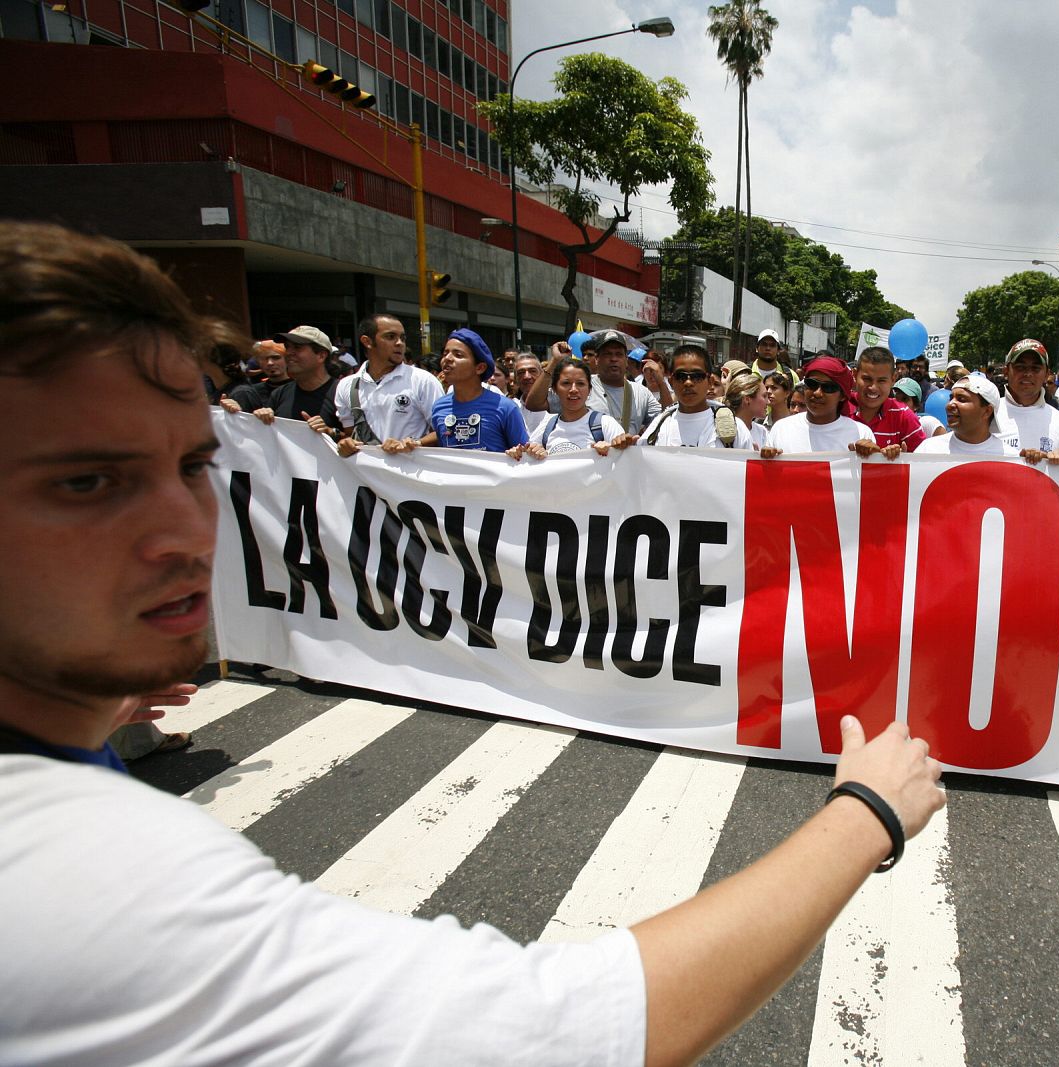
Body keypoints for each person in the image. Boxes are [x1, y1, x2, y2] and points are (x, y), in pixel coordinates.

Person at [0, 220, 946, 1067]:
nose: (184, 529)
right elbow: (569, 1031)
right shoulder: (79, 882)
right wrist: (863, 814)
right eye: (87, 483)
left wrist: (75, 701)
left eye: (195, 464)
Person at [328, 314, 443, 457]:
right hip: (367, 470)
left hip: (411, 469)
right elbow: (350, 434)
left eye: (403, 338)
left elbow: (445, 431)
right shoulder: (347, 385)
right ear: (367, 341)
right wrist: (345, 444)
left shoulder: (423, 381)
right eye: (390, 337)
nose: (399, 343)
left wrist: (415, 443)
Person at [423, 328, 530, 455]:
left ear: (480, 368)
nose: (447, 358)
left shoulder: (505, 408)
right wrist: (415, 444)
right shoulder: (439, 408)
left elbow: (524, 454)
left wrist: (519, 452)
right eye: (445, 353)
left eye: (458, 355)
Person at [220, 324, 339, 434]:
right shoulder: (280, 394)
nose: (289, 352)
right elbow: (264, 437)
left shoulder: (342, 393)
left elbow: (349, 440)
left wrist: (330, 432)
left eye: (297, 347)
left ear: (321, 356)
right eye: (287, 347)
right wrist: (239, 414)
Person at [640, 344, 754, 449]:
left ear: (710, 381)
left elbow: (748, 463)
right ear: (671, 381)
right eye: (681, 376)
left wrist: (763, 459)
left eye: (697, 376)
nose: (688, 382)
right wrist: (630, 448)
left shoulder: (735, 428)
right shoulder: (659, 427)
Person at [762, 355, 875, 456]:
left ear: (843, 396)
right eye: (812, 384)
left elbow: (872, 472)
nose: (817, 393)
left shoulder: (861, 434)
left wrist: (873, 457)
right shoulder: (781, 429)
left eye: (828, 387)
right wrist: (765, 460)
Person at [529, 356, 633, 457]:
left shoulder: (606, 424)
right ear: (555, 389)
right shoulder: (547, 426)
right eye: (566, 383)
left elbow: (625, 459)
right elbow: (527, 456)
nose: (573, 389)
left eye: (580, 384)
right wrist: (532, 453)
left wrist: (613, 450)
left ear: (589, 390)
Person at [997, 338, 1059, 454]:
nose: (1028, 374)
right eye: (1020, 367)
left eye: (1035, 368)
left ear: (1047, 374)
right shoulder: (987, 415)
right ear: (1006, 371)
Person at [574, 329, 661, 436]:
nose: (613, 359)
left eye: (619, 354)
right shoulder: (582, 386)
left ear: (626, 360)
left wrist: (661, 382)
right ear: (597, 359)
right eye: (607, 354)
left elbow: (666, 419)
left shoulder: (641, 393)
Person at [853, 346, 926, 454]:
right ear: (854, 375)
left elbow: (923, 459)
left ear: (893, 379)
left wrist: (902, 459)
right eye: (867, 379)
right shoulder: (840, 408)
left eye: (881, 381)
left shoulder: (904, 416)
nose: (873, 387)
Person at [725, 370, 770, 448]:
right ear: (747, 399)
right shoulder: (725, 430)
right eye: (764, 396)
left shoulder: (762, 432)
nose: (768, 402)